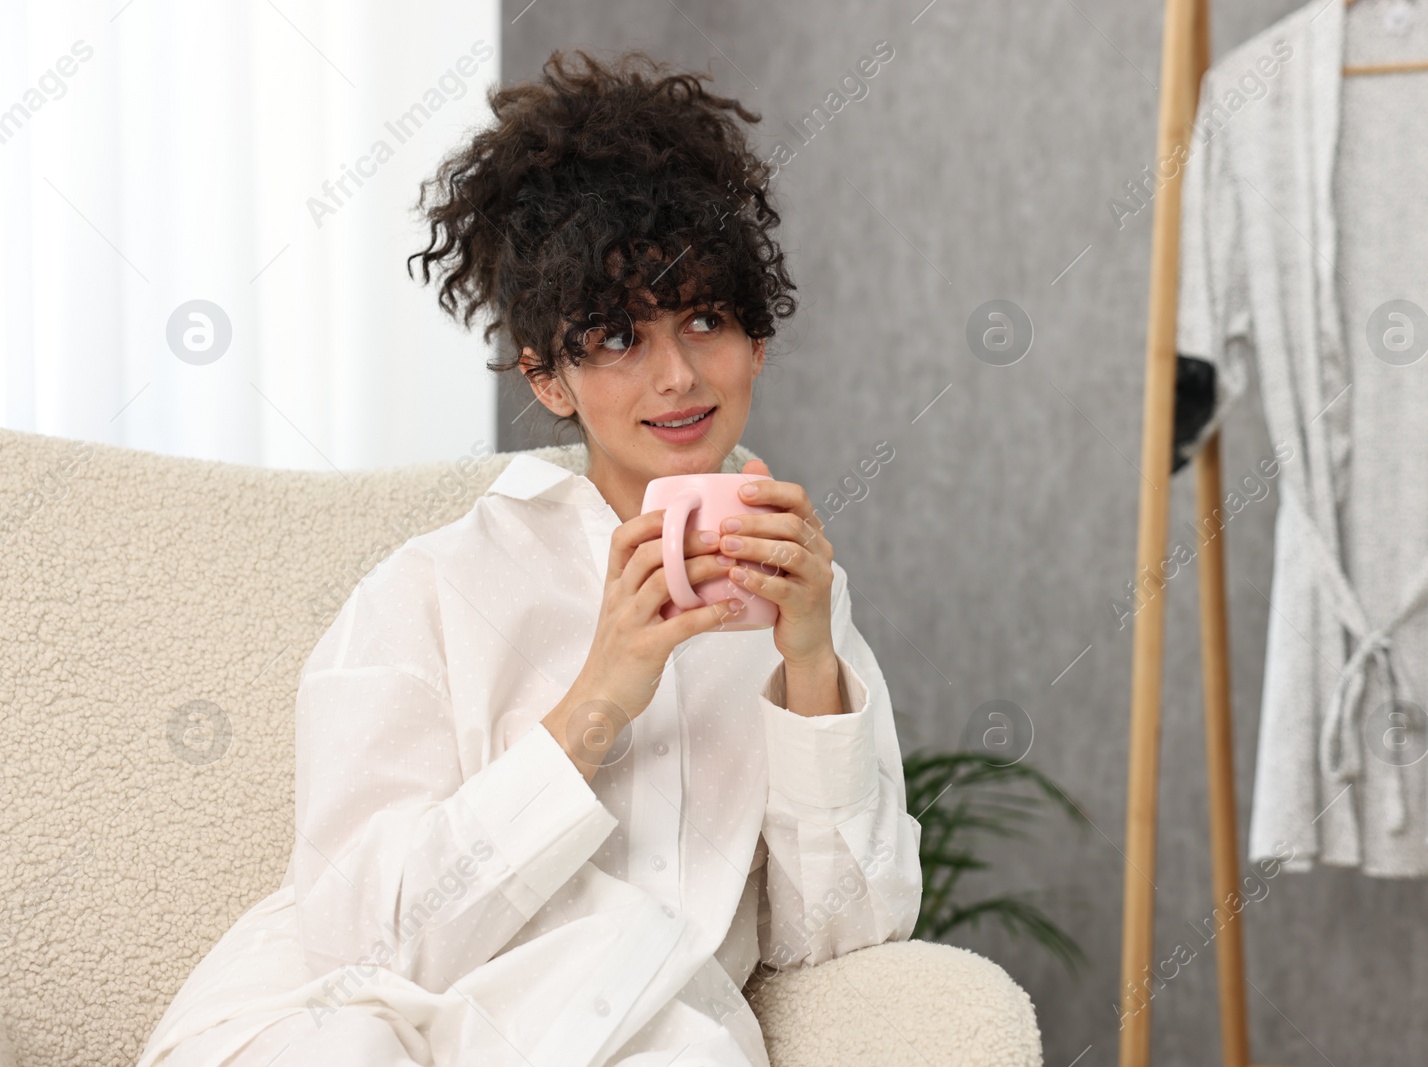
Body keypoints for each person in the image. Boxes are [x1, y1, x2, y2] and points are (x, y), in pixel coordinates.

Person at [135, 47, 923, 1067]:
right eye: (616, 338)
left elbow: (840, 936)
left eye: (704, 319)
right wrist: (602, 693)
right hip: (356, 1020)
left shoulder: (801, 593)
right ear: (548, 378)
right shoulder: (433, 586)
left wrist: (810, 660)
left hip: (636, 1034)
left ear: (757, 340)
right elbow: (373, 939)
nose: (678, 374)